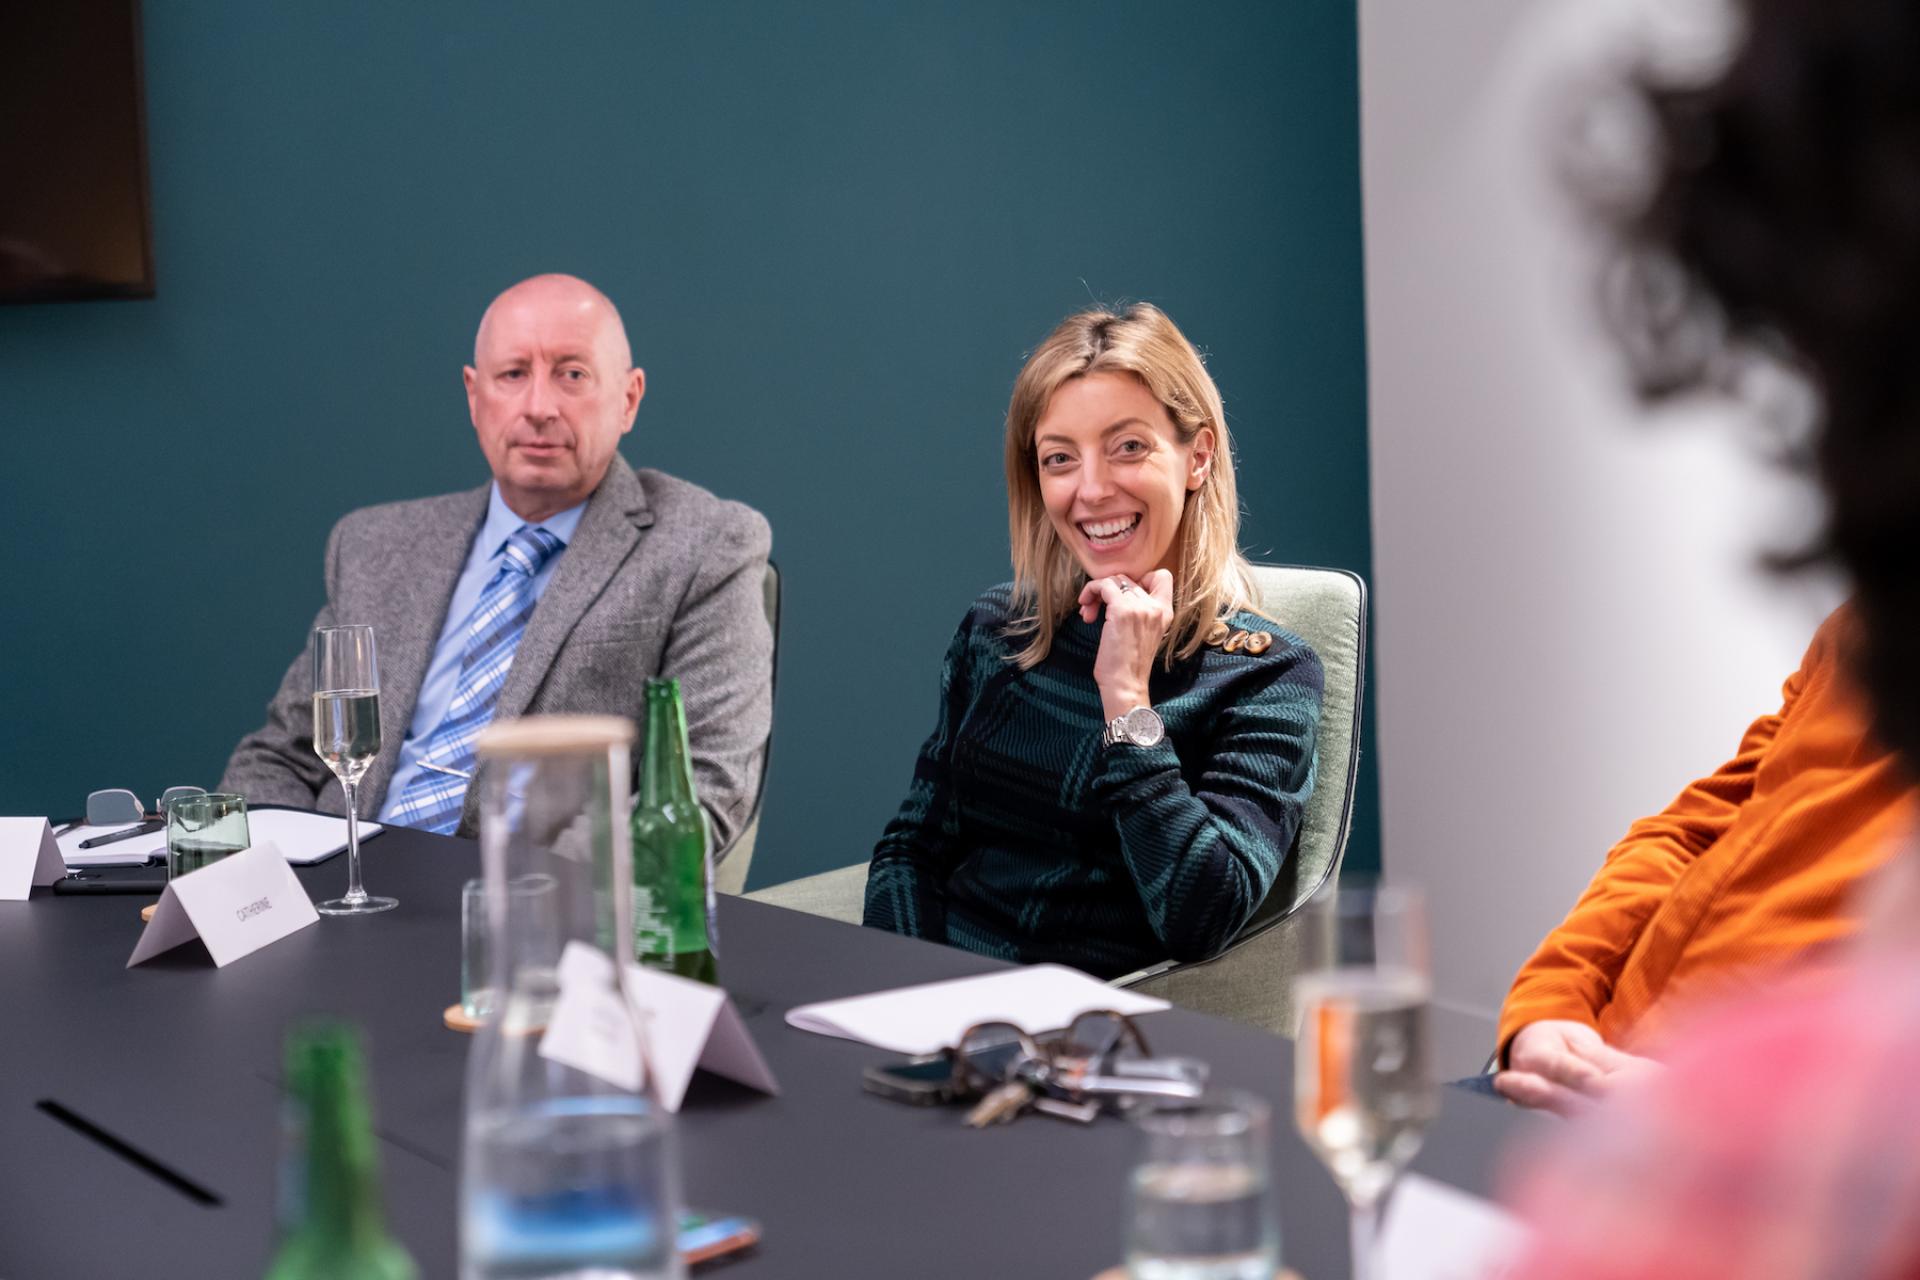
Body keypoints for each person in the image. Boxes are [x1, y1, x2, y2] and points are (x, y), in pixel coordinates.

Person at [1498, 1, 1920, 1274]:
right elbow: (1706, 815)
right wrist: (1546, 1005)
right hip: (1597, 1097)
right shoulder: (1873, 627)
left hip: (1725, 1155)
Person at [220, 274, 773, 849]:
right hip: (345, 885)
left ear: (628, 399)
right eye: (513, 375)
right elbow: (283, 757)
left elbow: (704, 791)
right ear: (474, 395)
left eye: (573, 375)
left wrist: (538, 902)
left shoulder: (705, 546)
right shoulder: (374, 545)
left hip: (539, 905)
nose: (539, 407)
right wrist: (276, 881)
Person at [861, 303, 1323, 978]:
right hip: (941, 1016)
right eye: (1059, 459)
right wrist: (896, 987)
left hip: (1096, 1041)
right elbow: (912, 849)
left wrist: (1128, 702)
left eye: (1128, 447)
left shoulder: (1270, 676)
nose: (1091, 490)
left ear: (1197, 456)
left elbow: (1202, 915)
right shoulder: (997, 631)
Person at [1494, 603, 1915, 1115]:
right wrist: (1553, 1001)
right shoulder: (1867, 619)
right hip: (1584, 1067)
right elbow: (1690, 833)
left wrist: (1725, 1107)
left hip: (1770, 1149)